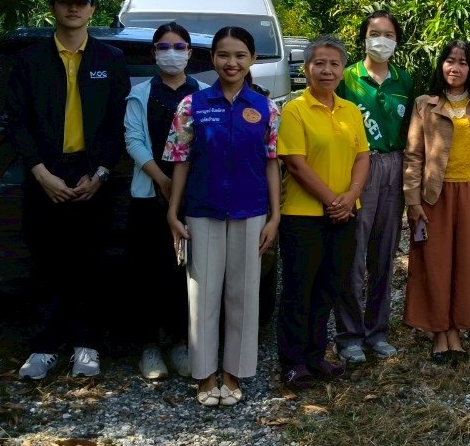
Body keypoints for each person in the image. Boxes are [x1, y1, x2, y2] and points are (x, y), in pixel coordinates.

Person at [8, 0, 129, 381]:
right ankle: (42, 348)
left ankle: (85, 346)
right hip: (43, 172)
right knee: (44, 261)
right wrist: (39, 171)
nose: (73, 9)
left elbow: (118, 124)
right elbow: (18, 122)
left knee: (89, 263)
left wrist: (101, 173)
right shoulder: (29, 60)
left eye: (81, 3)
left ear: (92, 10)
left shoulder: (110, 59)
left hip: (92, 175)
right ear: (54, 8)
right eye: (66, 3)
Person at [165, 27, 280, 407]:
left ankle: (234, 373)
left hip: (252, 212)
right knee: (203, 295)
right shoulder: (191, 105)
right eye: (224, 55)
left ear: (253, 60)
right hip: (203, 210)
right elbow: (179, 162)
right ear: (212, 58)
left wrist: (275, 216)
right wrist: (173, 212)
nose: (232, 63)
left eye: (240, 55)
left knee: (244, 294)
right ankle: (205, 376)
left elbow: (272, 164)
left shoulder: (267, 108)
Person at [275, 36, 371, 390]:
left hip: (346, 213)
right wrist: (334, 200)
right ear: (307, 68)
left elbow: (363, 156)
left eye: (334, 64)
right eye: (319, 63)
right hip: (303, 216)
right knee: (299, 289)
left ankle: (316, 356)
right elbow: (295, 164)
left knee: (329, 288)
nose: (327, 70)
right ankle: (292, 362)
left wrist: (351, 197)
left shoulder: (349, 110)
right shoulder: (294, 110)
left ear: (342, 69)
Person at [404, 41, 470, 360]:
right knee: (435, 262)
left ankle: (457, 330)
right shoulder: (425, 104)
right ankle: (438, 331)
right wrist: (413, 200)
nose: (455, 67)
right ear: (441, 66)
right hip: (435, 195)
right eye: (449, 61)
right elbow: (414, 154)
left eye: (462, 62)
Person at [333, 11, 414, 365]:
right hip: (356, 166)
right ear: (364, 38)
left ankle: (377, 331)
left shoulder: (405, 80)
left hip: (394, 165)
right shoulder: (347, 77)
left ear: (397, 40)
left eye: (389, 34)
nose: (381, 40)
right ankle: (349, 335)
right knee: (353, 252)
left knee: (385, 252)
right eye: (374, 33)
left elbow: (412, 128)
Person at [125, 22, 201, 381]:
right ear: (153, 52)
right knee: (147, 270)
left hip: (192, 196)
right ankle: (149, 347)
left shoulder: (201, 93)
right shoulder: (140, 93)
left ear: (190, 52)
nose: (172, 52)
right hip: (149, 192)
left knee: (182, 271)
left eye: (179, 45)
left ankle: (180, 343)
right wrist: (163, 180)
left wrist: (181, 188)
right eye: (163, 46)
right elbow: (134, 140)